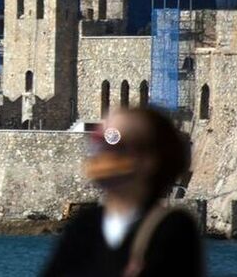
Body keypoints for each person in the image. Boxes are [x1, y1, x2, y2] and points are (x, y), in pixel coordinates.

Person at [41, 105, 204, 277]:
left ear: (149, 160)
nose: (103, 153)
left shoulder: (172, 228)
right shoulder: (85, 224)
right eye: (100, 141)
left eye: (115, 143)